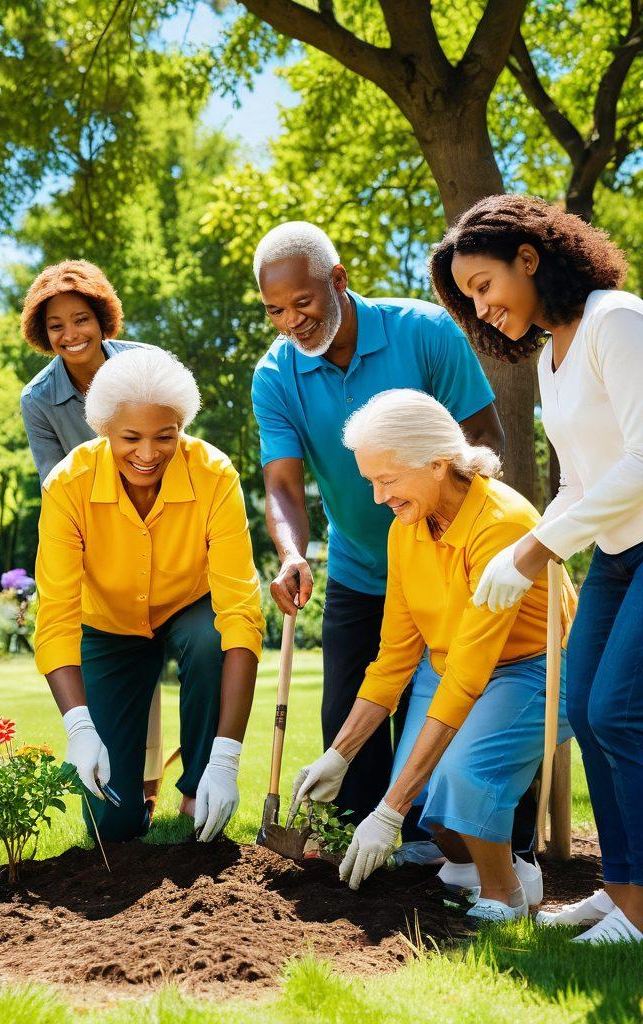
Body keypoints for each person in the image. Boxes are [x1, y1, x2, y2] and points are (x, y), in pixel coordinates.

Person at [251, 221, 506, 846]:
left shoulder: (425, 332)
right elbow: (283, 485)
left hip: (449, 569)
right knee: (349, 736)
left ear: (338, 281)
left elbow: (484, 441)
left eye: (303, 303)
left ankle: (458, 848)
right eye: (275, 311)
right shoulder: (275, 375)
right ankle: (363, 860)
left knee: (453, 721)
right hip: (362, 570)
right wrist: (292, 553)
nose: (291, 322)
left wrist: (444, 531)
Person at [433, 193, 643, 944]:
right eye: (469, 300)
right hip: (620, 553)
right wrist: (527, 545)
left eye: (485, 286)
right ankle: (622, 892)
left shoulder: (616, 321)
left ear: (530, 258)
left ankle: (641, 911)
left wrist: (534, 549)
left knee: (619, 712)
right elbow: (580, 482)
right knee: (586, 712)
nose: (481, 308)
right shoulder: (555, 353)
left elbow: (642, 460)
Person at [293, 389, 573, 920]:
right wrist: (341, 753)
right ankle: (488, 868)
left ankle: (505, 892)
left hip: (532, 668)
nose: (378, 497)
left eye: (387, 480)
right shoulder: (407, 529)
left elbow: (473, 668)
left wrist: (388, 809)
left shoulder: (502, 524)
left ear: (438, 464)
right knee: (429, 811)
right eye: (372, 481)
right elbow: (395, 657)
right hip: (447, 665)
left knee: (456, 784)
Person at [34, 347, 265, 842]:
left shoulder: (215, 475)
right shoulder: (67, 485)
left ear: (182, 426)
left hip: (189, 608)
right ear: (102, 430)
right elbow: (55, 617)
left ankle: (197, 788)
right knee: (109, 825)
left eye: (165, 436)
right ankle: (132, 807)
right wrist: (78, 728)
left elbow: (241, 612)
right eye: (129, 438)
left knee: (211, 637)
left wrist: (228, 758)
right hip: (109, 625)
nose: (147, 453)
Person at [19, 260, 166, 814]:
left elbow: (176, 449)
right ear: (43, 333)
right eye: (56, 325)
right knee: (118, 659)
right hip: (95, 545)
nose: (71, 334)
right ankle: (126, 784)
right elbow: (54, 483)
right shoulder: (39, 400)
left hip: (163, 528)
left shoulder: (146, 366)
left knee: (180, 643)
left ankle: (182, 785)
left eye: (81, 319)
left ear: (102, 318)